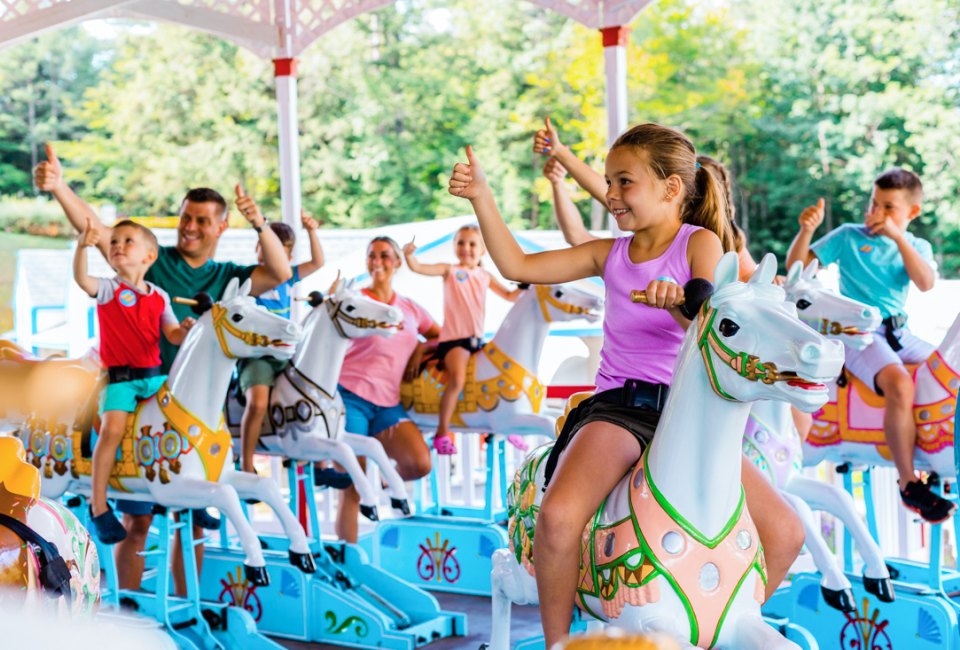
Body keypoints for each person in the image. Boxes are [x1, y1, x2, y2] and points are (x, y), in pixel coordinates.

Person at [448, 123, 803, 647]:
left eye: (623, 182)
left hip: (688, 416)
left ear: (671, 188)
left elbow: (713, 320)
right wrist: (482, 196)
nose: (610, 195)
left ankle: (714, 622)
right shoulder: (607, 254)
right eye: (609, 182)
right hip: (621, 408)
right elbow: (516, 264)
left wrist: (681, 301)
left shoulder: (699, 243)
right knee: (560, 516)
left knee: (788, 531)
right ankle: (559, 642)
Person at [35, 144, 291, 593]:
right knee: (139, 520)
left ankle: (185, 603)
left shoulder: (228, 275)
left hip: (193, 414)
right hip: (144, 398)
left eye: (201, 220)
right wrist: (59, 188)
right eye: (185, 218)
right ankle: (132, 604)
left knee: (195, 524)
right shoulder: (151, 261)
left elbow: (281, 269)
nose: (190, 228)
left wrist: (261, 222)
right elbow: (96, 230)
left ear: (221, 226)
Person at [785, 168, 950, 522]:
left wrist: (897, 238)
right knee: (899, 383)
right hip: (857, 333)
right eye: (873, 203)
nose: (874, 212)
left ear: (912, 213)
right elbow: (797, 268)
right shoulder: (848, 236)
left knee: (945, 375)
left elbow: (925, 283)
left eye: (888, 207)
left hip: (900, 332)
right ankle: (908, 482)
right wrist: (807, 230)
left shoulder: (916, 246)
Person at [73, 217, 194, 543]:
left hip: (154, 378)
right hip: (120, 380)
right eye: (114, 242)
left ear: (149, 256)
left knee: (183, 420)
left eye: (128, 241)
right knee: (112, 431)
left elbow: (171, 334)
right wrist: (82, 247)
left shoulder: (160, 296)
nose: (117, 247)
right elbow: (83, 280)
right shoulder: (109, 288)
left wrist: (184, 331)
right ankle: (99, 505)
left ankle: (191, 492)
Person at [334, 236, 440, 542]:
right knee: (352, 484)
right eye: (371, 256)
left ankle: (374, 483)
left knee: (419, 463)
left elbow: (439, 336)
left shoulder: (409, 308)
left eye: (384, 255)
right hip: (350, 397)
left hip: (388, 403)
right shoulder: (356, 300)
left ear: (396, 262)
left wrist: (420, 350)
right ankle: (347, 557)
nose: (377, 261)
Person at [402, 226, 522, 455]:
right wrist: (409, 256)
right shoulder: (450, 270)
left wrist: (527, 284)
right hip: (455, 341)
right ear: (455, 247)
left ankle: (507, 424)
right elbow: (419, 268)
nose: (466, 248)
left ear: (483, 250)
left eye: (472, 244)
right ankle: (442, 433)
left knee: (499, 376)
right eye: (461, 243)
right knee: (456, 381)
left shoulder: (485, 275)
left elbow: (509, 296)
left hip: (476, 341)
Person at [238, 211, 325, 473]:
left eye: (279, 251)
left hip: (285, 352)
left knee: (313, 389)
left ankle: (317, 457)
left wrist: (311, 231)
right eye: (266, 247)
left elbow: (318, 262)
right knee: (259, 402)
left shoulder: (289, 277)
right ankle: (247, 460)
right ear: (258, 248)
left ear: (287, 257)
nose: (269, 254)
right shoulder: (249, 279)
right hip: (258, 354)